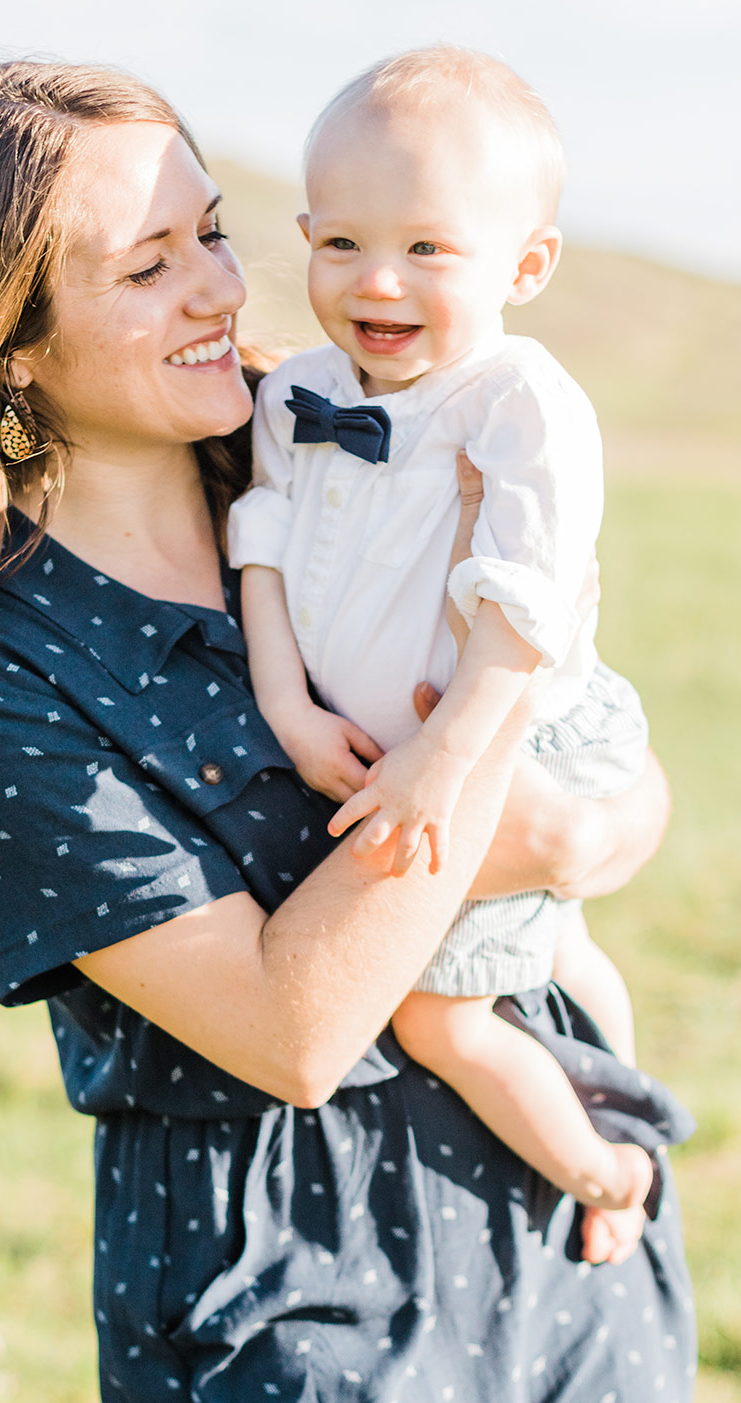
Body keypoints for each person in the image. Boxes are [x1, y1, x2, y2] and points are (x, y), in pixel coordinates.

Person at [0, 60, 699, 1403]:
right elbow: (294, 1027)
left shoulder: (346, 420)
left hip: (567, 1188)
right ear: (4, 344)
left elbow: (606, 765)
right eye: (147, 267)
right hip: (296, 1291)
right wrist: (495, 809)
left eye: (212, 233)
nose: (218, 289)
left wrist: (580, 824)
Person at [228, 46, 653, 1222]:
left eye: (427, 248)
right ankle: (600, 1073)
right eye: (342, 243)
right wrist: (285, 705)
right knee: (547, 944)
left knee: (437, 1011)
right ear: (306, 232)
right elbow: (257, 541)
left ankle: (607, 1165)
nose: (380, 281)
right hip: (399, 742)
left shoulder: (519, 400)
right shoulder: (292, 391)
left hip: (509, 728)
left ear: (524, 265)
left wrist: (445, 761)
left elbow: (528, 602)